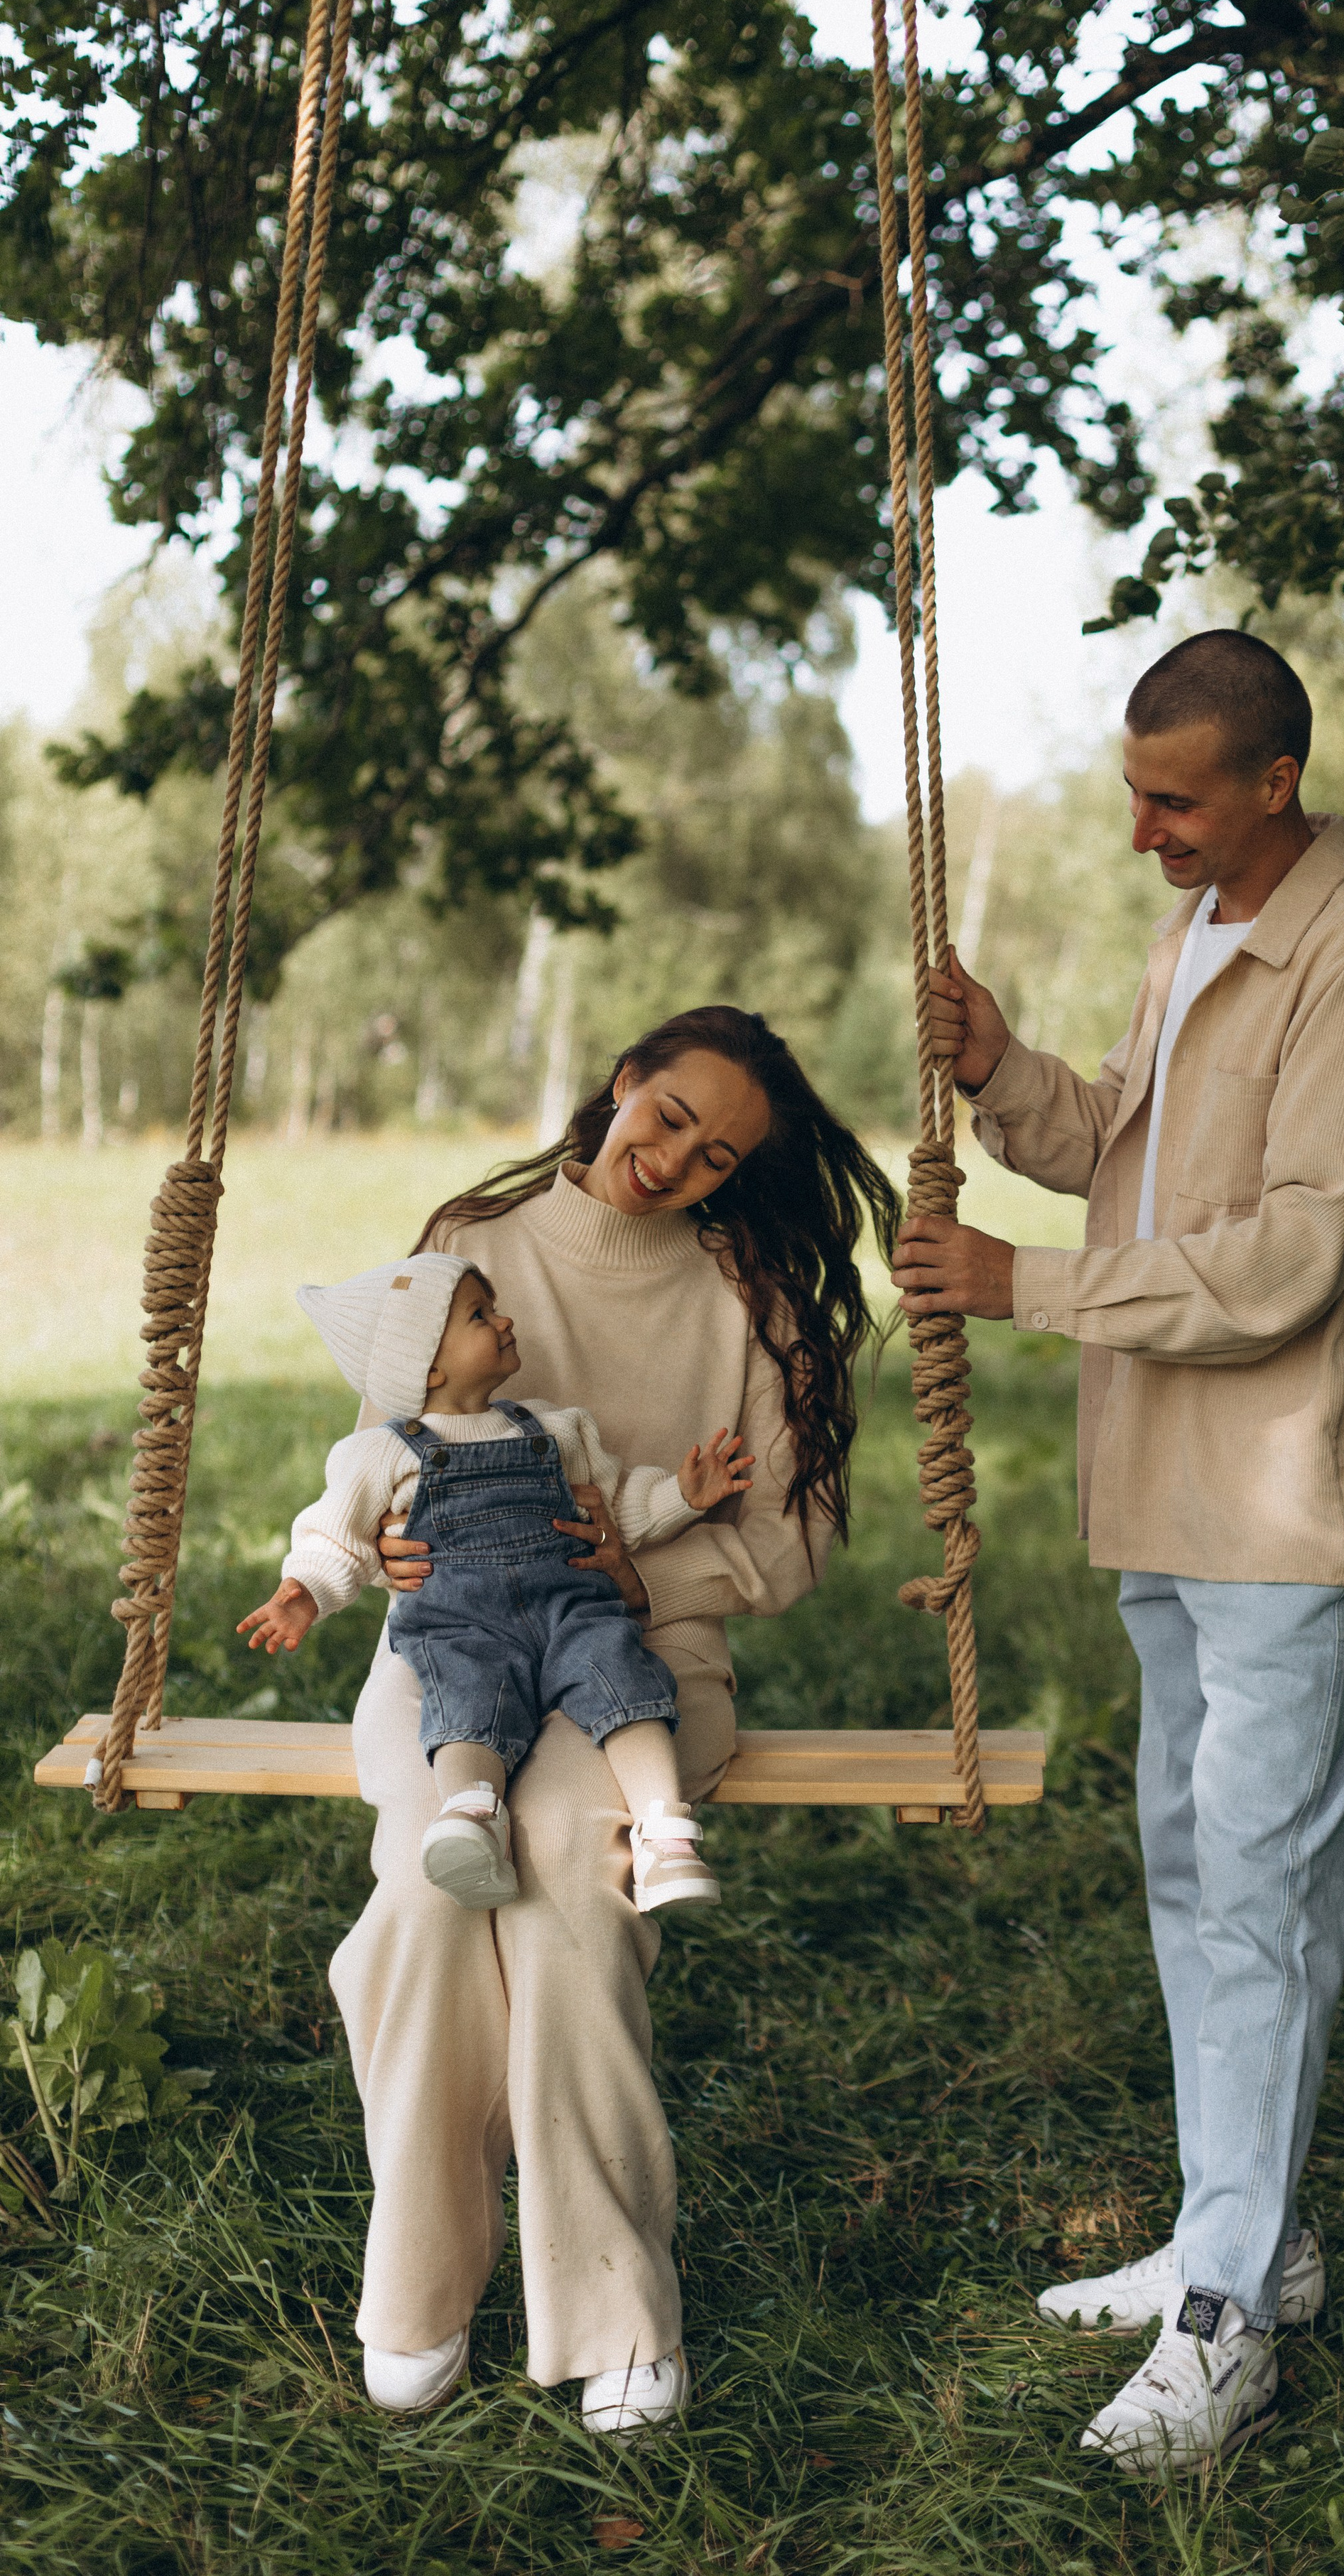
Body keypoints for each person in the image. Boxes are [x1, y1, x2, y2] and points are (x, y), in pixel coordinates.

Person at [892, 629, 1344, 2471]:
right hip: (1173, 1480)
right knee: (1190, 1860)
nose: (1143, 827)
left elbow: (1291, 1258)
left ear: (1274, 783)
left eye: (1175, 798)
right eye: (1135, 791)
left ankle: (1227, 2330)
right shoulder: (1203, 926)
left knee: (1265, 1897)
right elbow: (1130, 1159)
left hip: (1302, 1496)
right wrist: (1004, 1077)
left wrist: (1019, 1287)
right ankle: (1251, 2237)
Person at [327, 1007, 897, 2434]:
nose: (671, 1162)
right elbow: (389, 1434)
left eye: (712, 1157)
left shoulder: (743, 1296)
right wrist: (393, 1545)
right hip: (451, 1654)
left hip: (641, 1668)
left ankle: (613, 2306)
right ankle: (418, 2281)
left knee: (573, 1888)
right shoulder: (479, 1241)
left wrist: (638, 1568)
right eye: (664, 1117)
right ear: (621, 1084)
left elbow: (792, 1539)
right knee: (429, 1885)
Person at [237, 1252, 759, 1915]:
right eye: (479, 1314)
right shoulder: (382, 1453)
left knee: (627, 1680)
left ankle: (667, 1837)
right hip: (462, 1624)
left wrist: (682, 1496)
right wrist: (305, 1590)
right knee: (465, 1702)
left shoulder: (555, 1428)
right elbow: (338, 1537)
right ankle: (470, 1818)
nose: (504, 1319)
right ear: (426, 1364)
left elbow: (614, 1507)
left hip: (572, 1605)